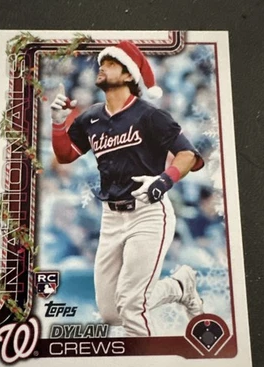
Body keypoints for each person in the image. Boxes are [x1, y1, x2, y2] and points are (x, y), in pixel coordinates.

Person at [50, 41, 205, 336]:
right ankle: (179, 286)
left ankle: (149, 361)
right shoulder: (91, 117)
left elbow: (189, 155)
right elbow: (66, 155)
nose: (102, 67)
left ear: (128, 75)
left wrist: (164, 180)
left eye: (111, 64)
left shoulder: (150, 115)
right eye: (102, 63)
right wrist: (58, 125)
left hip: (148, 212)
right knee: (112, 313)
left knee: (132, 306)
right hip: (111, 217)